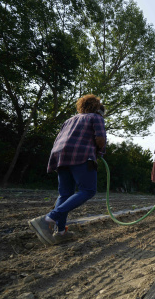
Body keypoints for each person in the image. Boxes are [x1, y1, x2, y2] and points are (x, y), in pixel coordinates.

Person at [28, 95, 107, 245]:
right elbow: (100, 139)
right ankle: (47, 219)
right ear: (97, 108)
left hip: (60, 156)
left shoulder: (69, 120)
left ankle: (61, 232)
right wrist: (99, 152)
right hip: (80, 154)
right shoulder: (96, 117)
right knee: (88, 190)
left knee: (65, 193)